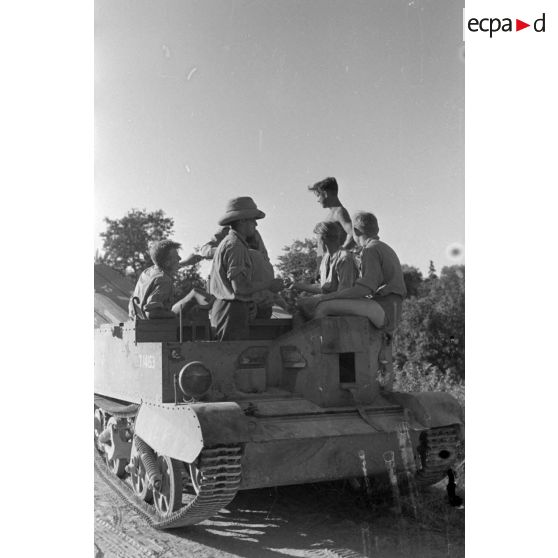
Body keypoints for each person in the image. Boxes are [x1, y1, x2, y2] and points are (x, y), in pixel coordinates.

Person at [209, 197, 284, 340]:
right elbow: (239, 288)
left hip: (233, 309)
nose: (255, 223)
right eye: (252, 219)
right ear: (242, 220)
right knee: (231, 356)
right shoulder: (235, 246)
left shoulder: (234, 243)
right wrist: (269, 285)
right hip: (232, 311)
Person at [129, 240, 212, 320]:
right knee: (195, 295)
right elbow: (151, 313)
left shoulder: (148, 271)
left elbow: (167, 267)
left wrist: (187, 262)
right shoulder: (164, 280)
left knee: (195, 294)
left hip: (139, 321)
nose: (180, 258)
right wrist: (178, 316)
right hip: (154, 328)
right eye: (176, 257)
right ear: (167, 263)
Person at [292, 221, 359, 297]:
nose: (318, 244)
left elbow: (344, 292)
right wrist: (296, 285)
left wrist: (319, 299)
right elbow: (324, 288)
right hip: (333, 299)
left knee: (308, 302)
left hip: (345, 301)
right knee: (302, 301)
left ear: (323, 239)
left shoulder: (344, 258)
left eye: (318, 240)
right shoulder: (326, 259)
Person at [308, 177, 355, 250]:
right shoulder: (331, 215)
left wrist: (340, 253)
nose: (318, 200)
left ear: (325, 194)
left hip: (333, 260)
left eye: (318, 196)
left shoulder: (339, 212)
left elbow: (353, 233)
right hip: (325, 259)